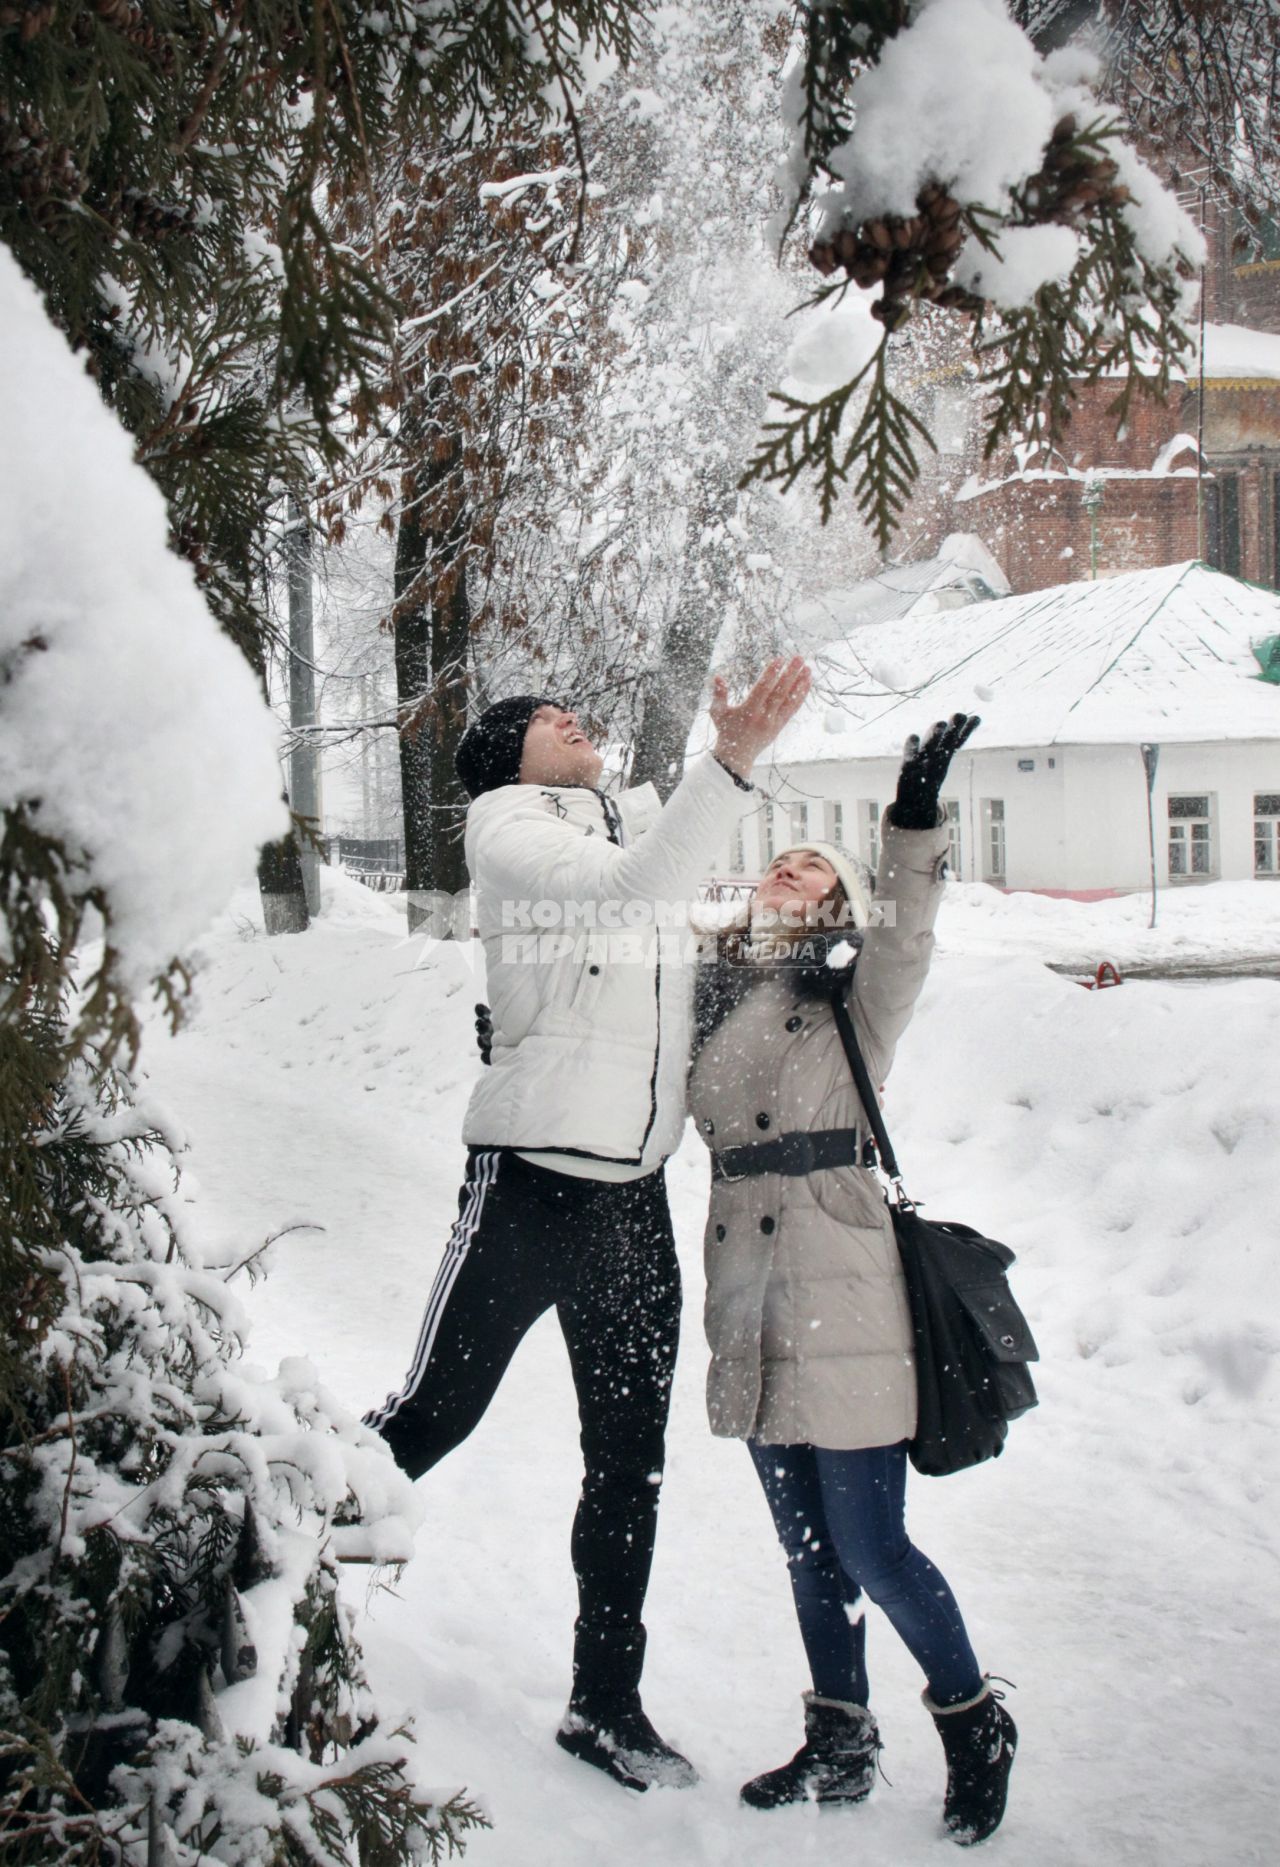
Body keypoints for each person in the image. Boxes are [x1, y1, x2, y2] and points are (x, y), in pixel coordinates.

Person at [364, 658, 811, 1792]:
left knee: (626, 1468)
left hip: (630, 1200)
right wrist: (731, 761)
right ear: (507, 758)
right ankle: (271, 1555)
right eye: (542, 718)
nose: (570, 718)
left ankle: (603, 1703)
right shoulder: (508, 828)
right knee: (431, 1417)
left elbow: (668, 966)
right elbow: (624, 899)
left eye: (571, 709)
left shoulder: (628, 831)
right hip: (528, 1186)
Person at [688, 714, 1019, 1847]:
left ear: (835, 908)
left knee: (872, 1542)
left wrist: (909, 823)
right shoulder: (710, 992)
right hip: (744, 1277)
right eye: (780, 860)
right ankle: (839, 1733)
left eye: (814, 871)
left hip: (841, 1274)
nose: (790, 871)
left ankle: (973, 1722)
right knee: (804, 1545)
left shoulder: (852, 996)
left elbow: (908, 936)